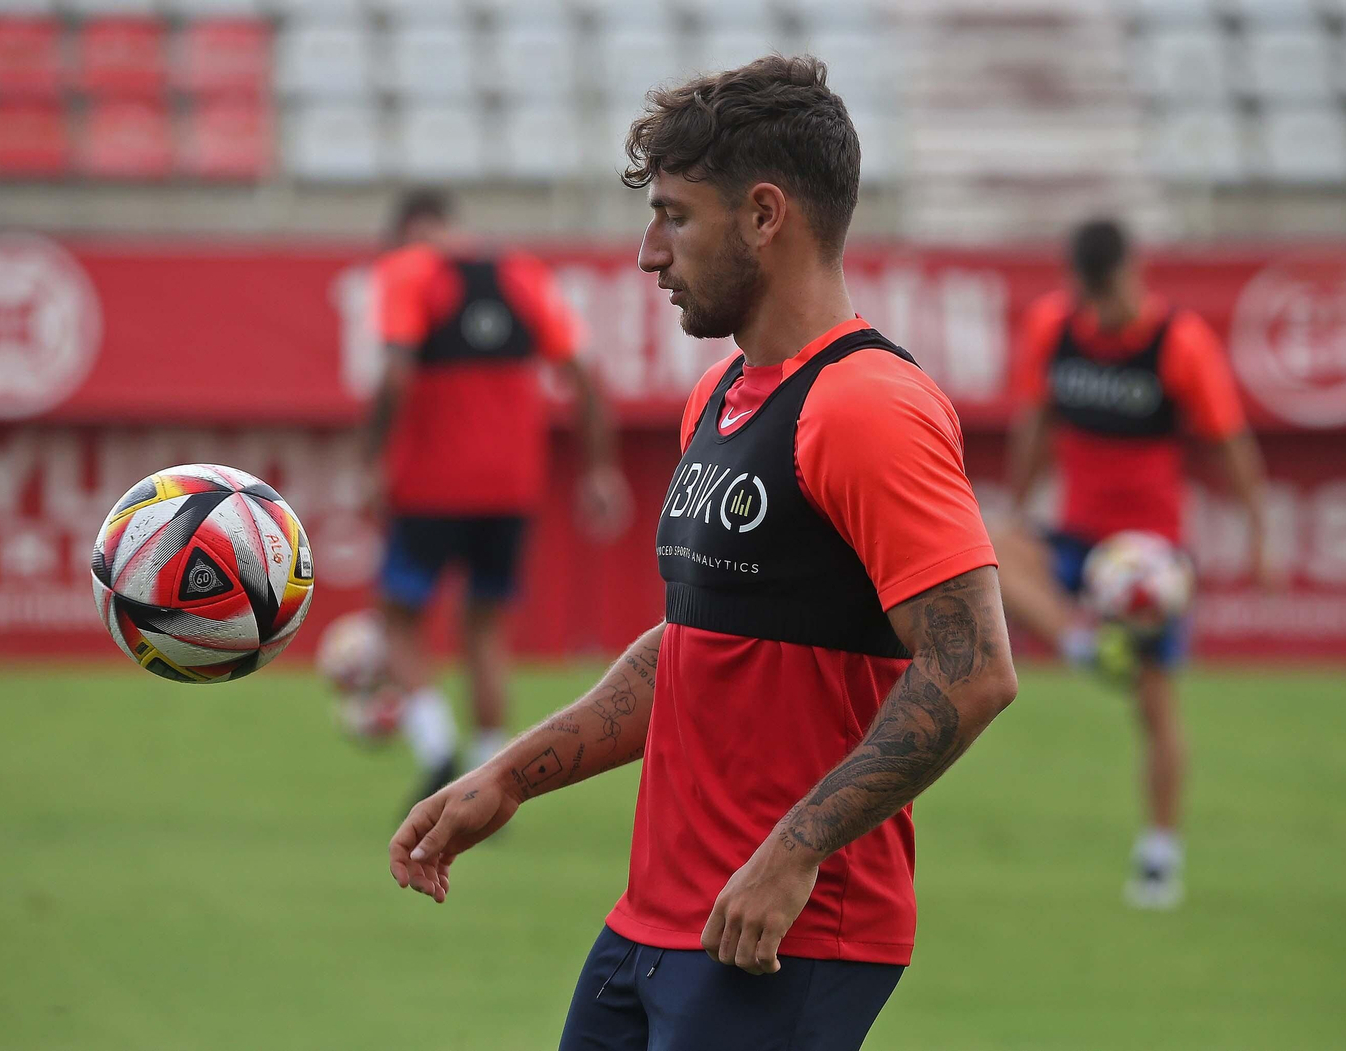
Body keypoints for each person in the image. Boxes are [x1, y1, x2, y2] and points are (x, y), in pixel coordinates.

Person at [388, 57, 1019, 1051]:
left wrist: (793, 850)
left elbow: (973, 667)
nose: (649, 253)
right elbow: (691, 649)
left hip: (778, 933)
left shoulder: (867, 407)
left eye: (675, 217)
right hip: (651, 924)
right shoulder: (718, 398)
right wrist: (507, 777)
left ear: (765, 215)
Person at [993, 217, 1274, 910]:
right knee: (987, 543)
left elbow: (1230, 444)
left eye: (1108, 291)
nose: (1099, 307)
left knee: (1154, 706)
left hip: (1149, 554)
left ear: (1132, 273)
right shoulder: (1052, 329)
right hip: (1078, 537)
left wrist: (1260, 536)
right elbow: (1035, 424)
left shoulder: (1179, 343)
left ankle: (1159, 852)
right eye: (1088, 293)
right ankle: (1083, 643)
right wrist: (1021, 503)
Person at [365, 190, 631, 802]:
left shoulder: (407, 271)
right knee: (485, 627)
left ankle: (436, 747)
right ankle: (489, 775)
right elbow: (586, 378)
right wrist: (599, 470)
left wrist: (370, 460)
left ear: (408, 230)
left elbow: (396, 374)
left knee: (398, 618)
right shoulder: (522, 273)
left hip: (430, 483)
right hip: (511, 487)